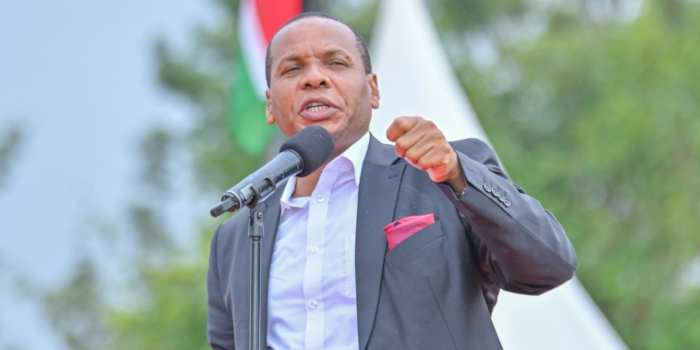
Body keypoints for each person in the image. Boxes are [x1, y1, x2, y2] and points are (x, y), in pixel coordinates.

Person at [207, 13, 576, 350]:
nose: (315, 77)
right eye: (292, 69)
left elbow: (548, 266)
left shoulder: (441, 176)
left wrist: (460, 175)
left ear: (374, 90)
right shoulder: (236, 237)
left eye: (336, 63)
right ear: (270, 105)